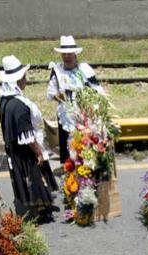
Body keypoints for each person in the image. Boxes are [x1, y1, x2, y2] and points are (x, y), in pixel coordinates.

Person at [0, 55, 58, 220]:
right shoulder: (19, 106)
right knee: (33, 178)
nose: (26, 80)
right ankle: (37, 210)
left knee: (26, 179)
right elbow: (28, 136)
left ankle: (38, 206)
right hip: (24, 151)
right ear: (18, 81)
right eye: (24, 77)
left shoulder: (3, 98)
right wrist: (38, 152)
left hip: (13, 148)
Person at [46, 35, 105, 165]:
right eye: (64, 54)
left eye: (69, 54)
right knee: (69, 153)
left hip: (84, 117)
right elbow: (50, 94)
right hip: (66, 117)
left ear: (75, 54)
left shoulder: (84, 69)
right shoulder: (57, 71)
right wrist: (60, 97)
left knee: (85, 151)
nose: (67, 57)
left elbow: (99, 91)